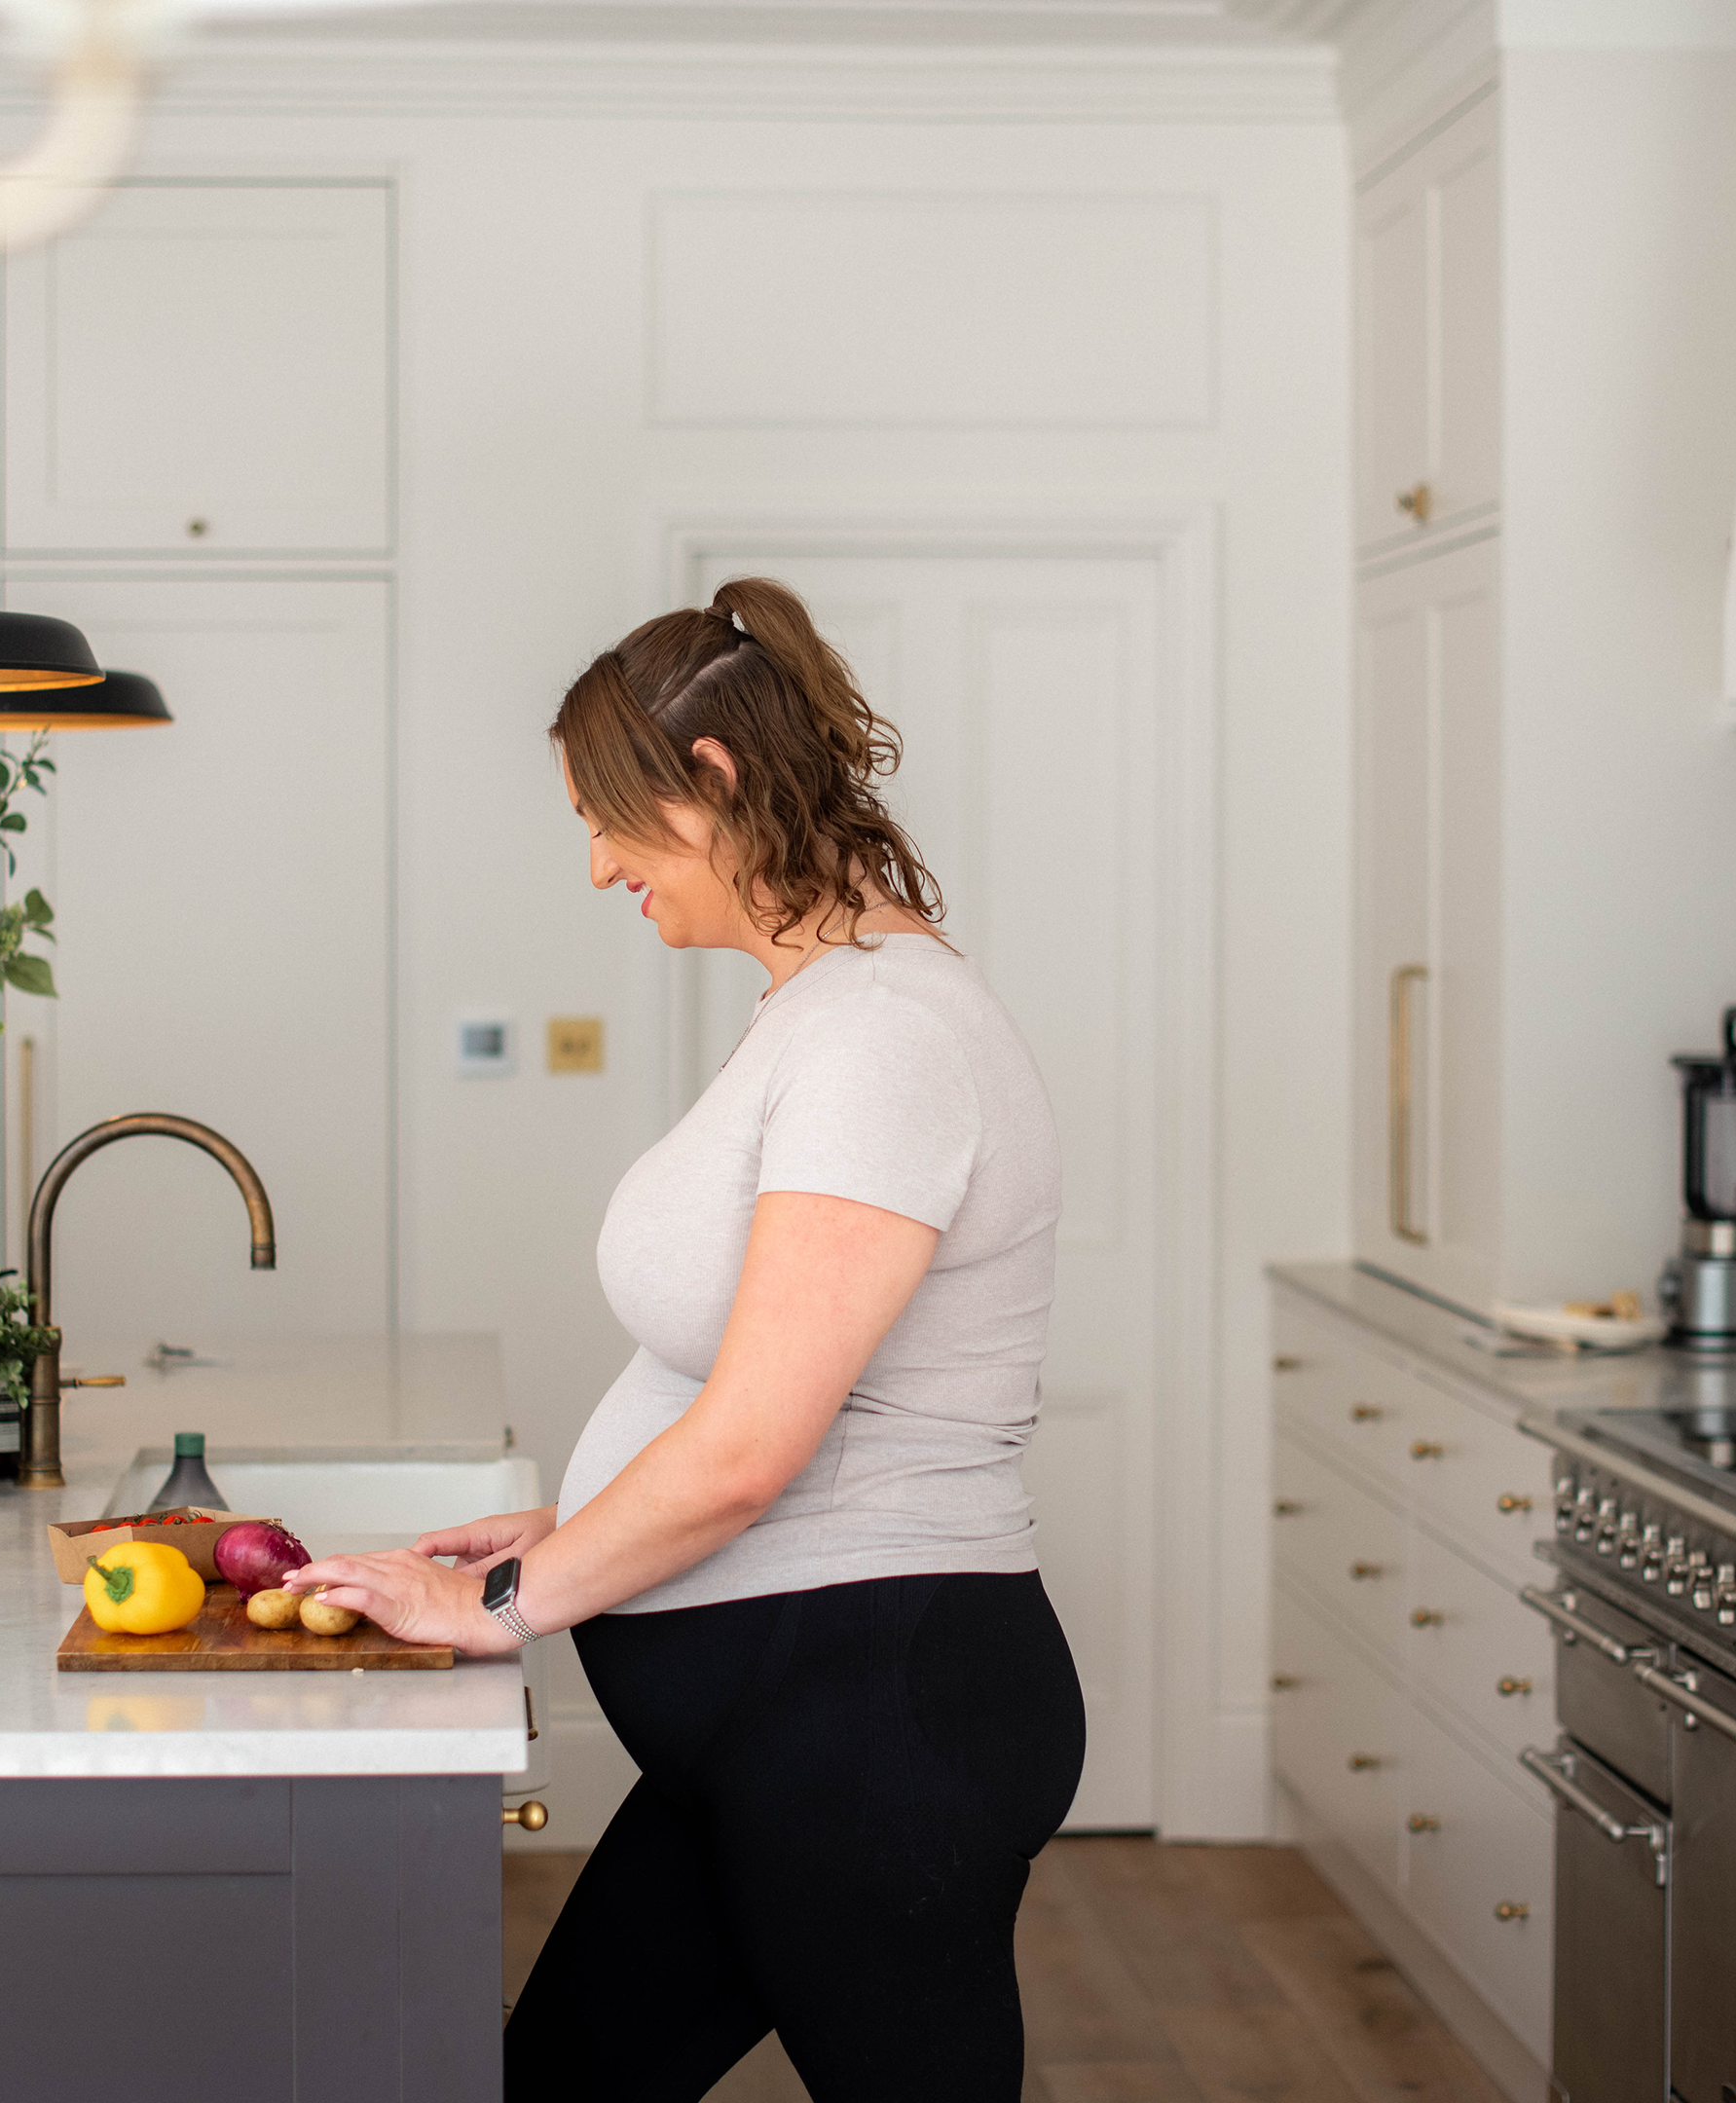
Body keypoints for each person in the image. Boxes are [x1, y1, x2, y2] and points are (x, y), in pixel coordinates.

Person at [283, 577, 1086, 2102]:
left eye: (607, 819)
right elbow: (748, 1394)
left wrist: (506, 1601)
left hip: (875, 1726)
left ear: (711, 779)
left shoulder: (886, 1040)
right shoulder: (824, 1011)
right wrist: (583, 1519)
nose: (594, 867)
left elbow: (751, 1449)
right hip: (788, 1726)